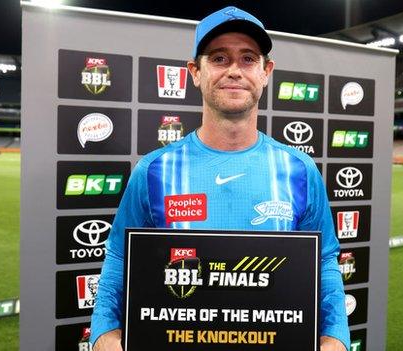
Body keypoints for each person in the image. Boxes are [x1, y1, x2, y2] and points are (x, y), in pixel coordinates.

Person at [90, 6, 350, 351]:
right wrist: (104, 331)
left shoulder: (300, 169)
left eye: (247, 59)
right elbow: (120, 259)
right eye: (218, 58)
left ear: (265, 72)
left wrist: (336, 336)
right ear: (195, 72)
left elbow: (325, 262)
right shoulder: (154, 171)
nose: (234, 70)